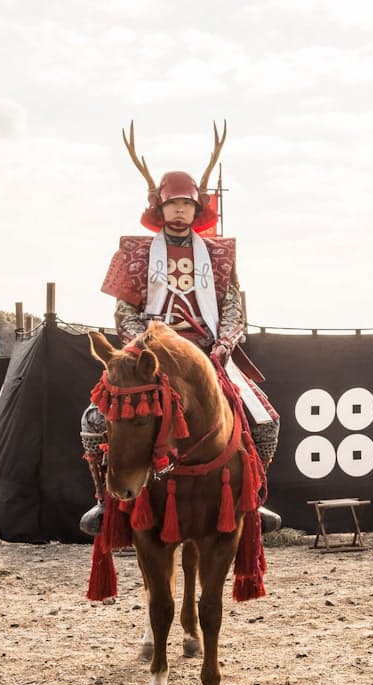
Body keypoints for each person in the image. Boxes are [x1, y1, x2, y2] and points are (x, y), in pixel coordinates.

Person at [79, 122, 280, 536]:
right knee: (96, 420)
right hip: (151, 354)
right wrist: (140, 345)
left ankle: (254, 500)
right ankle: (104, 501)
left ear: (197, 209)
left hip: (207, 354)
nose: (180, 211)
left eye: (188, 205)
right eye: (173, 205)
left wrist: (225, 343)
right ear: (159, 208)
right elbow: (125, 310)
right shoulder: (135, 253)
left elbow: (233, 309)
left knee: (265, 420)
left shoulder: (220, 255)